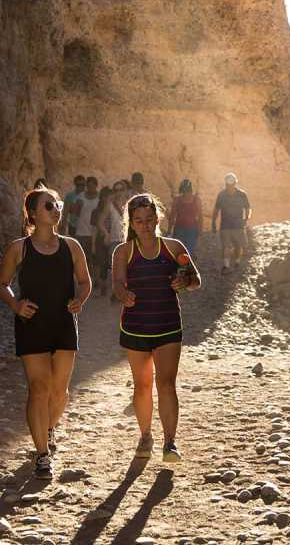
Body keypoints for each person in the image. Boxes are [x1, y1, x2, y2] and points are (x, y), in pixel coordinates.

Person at [0, 186, 91, 479]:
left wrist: (80, 300)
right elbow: (1, 283)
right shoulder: (19, 248)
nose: (56, 209)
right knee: (39, 387)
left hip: (63, 323)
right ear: (33, 213)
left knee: (59, 391)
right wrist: (16, 304)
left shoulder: (72, 246)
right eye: (49, 205)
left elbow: (86, 282)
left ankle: (48, 428)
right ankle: (42, 454)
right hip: (31, 323)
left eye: (57, 204)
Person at [112, 193, 201, 463]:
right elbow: (117, 283)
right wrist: (123, 295)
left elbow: (196, 279)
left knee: (166, 384)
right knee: (142, 385)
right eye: (139, 221)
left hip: (168, 326)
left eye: (150, 219)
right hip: (135, 327)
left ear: (158, 218)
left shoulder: (174, 247)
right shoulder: (123, 251)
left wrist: (184, 281)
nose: (145, 225)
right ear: (131, 223)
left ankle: (170, 443)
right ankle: (145, 435)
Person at [211, 172, 251, 274]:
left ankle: (236, 262)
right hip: (226, 226)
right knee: (226, 246)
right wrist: (213, 222)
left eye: (231, 185)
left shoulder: (242, 194)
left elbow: (248, 208)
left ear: (234, 184)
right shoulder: (222, 195)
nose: (229, 187)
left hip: (238, 225)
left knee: (238, 246)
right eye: (228, 185)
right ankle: (226, 265)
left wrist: (246, 218)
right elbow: (216, 210)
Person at [98, 180, 127, 302]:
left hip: (128, 239)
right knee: (115, 267)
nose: (119, 192)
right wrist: (106, 234)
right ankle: (116, 291)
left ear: (125, 190)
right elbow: (100, 222)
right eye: (116, 190)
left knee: (127, 267)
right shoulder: (110, 205)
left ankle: (123, 291)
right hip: (114, 240)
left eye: (121, 189)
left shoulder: (130, 204)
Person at [168, 179, 203, 255]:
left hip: (190, 229)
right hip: (181, 229)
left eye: (186, 191)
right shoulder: (178, 200)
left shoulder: (195, 200)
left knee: (186, 251)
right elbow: (172, 216)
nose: (185, 193)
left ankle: (185, 264)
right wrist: (169, 231)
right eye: (184, 191)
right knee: (180, 251)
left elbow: (200, 217)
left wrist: (200, 232)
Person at [74, 176, 99, 277]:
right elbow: (75, 213)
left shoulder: (100, 198)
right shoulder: (80, 197)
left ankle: (93, 278)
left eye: (92, 186)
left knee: (93, 257)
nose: (90, 188)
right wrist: (77, 207)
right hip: (81, 232)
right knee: (82, 257)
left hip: (94, 233)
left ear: (96, 186)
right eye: (88, 186)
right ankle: (84, 277)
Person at [92, 186, 113, 297]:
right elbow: (95, 229)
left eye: (109, 196)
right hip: (100, 240)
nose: (108, 198)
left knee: (106, 263)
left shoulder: (114, 209)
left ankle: (104, 285)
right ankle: (101, 284)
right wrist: (93, 246)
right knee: (101, 262)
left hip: (112, 238)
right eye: (106, 196)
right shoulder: (96, 211)